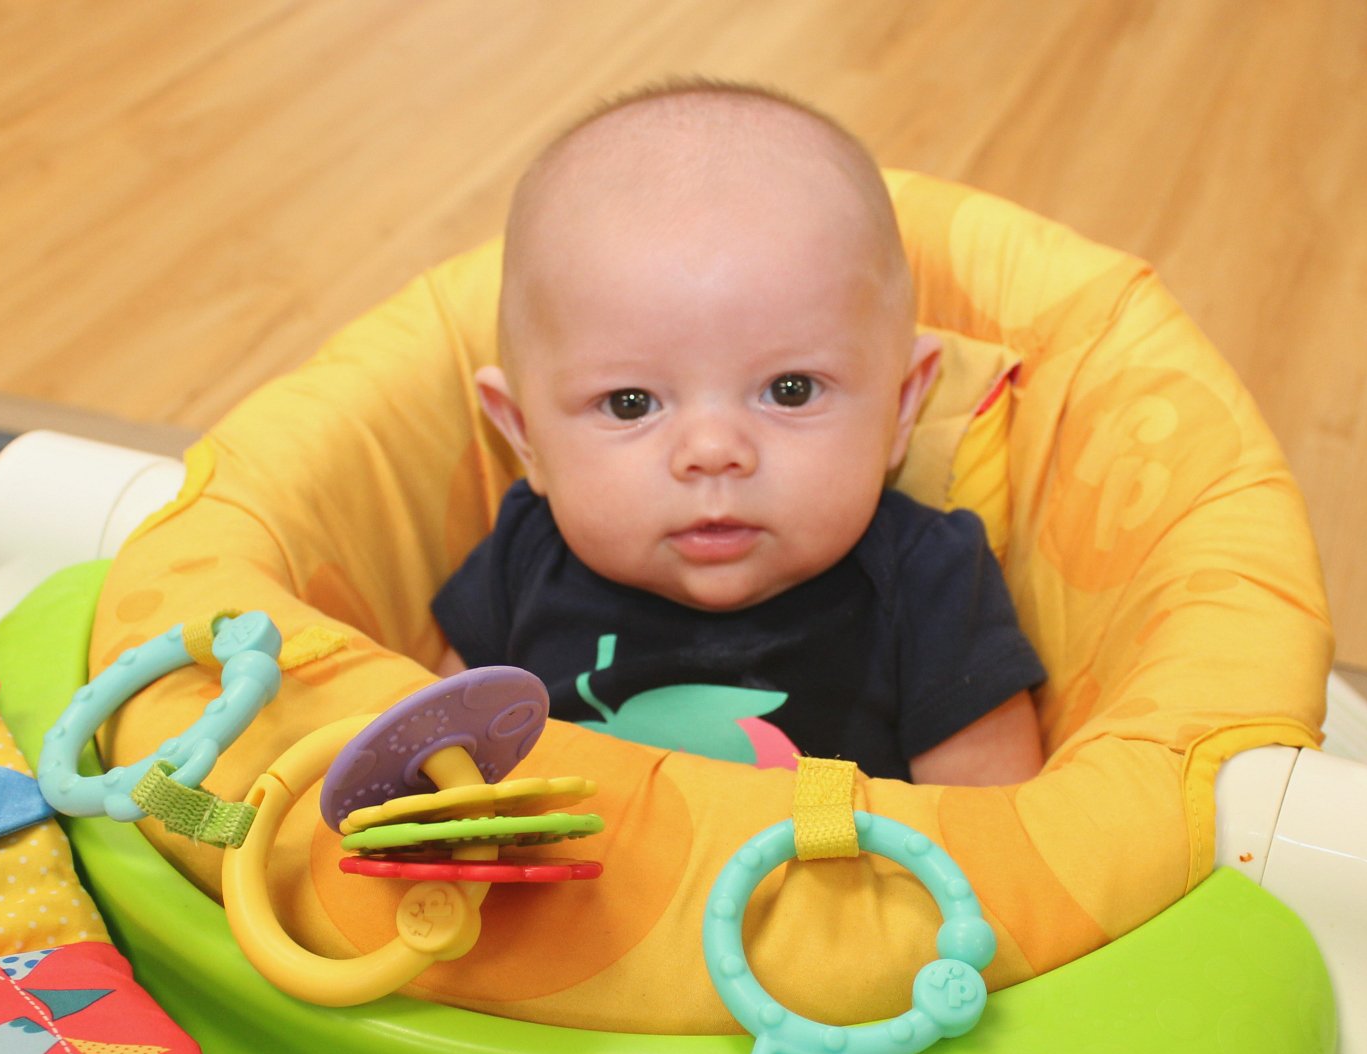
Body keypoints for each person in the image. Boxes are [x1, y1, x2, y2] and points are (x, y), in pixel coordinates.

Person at [432, 78, 1045, 785]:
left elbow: (999, 841)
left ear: (903, 405)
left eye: (790, 391)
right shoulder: (520, 561)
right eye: (630, 403)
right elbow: (426, 767)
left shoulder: (932, 583)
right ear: (525, 436)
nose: (713, 452)